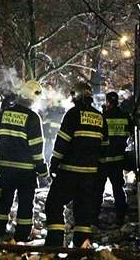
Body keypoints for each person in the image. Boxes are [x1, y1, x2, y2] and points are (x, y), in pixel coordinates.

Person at [45, 82, 108, 248]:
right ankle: (80, 246)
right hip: (90, 174)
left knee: (54, 203)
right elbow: (104, 148)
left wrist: (54, 163)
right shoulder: (100, 117)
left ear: (76, 96)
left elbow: (62, 141)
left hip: (69, 171)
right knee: (83, 210)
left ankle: (55, 242)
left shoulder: (73, 114)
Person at [0, 80, 48, 242]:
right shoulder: (32, 117)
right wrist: (42, 169)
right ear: (33, 98)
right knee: (25, 202)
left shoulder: (6, 112)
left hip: (6, 167)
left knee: (5, 200)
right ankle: (22, 236)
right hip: (26, 170)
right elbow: (36, 147)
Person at [94, 92, 132, 226]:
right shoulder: (125, 116)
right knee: (118, 189)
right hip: (118, 160)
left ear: (108, 102)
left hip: (103, 161)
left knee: (98, 190)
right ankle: (120, 216)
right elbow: (130, 134)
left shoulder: (102, 117)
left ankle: (94, 218)